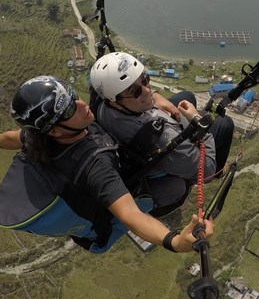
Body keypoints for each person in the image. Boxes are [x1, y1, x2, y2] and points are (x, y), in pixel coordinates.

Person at [0, 75, 211, 254]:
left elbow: (14, 138)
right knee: (177, 187)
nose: (82, 104)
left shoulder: (42, 138)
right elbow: (129, 214)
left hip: (112, 156)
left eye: (73, 95)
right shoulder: (94, 166)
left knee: (184, 96)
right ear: (54, 130)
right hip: (120, 182)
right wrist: (175, 241)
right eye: (70, 109)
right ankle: (165, 199)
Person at [89, 52, 234, 211]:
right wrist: (198, 121)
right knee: (225, 124)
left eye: (145, 80)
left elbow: (141, 93)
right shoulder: (163, 137)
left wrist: (155, 97)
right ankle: (219, 170)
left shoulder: (101, 101)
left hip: (134, 139)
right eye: (135, 92)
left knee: (187, 96)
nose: (146, 90)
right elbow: (205, 171)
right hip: (159, 151)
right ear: (115, 102)